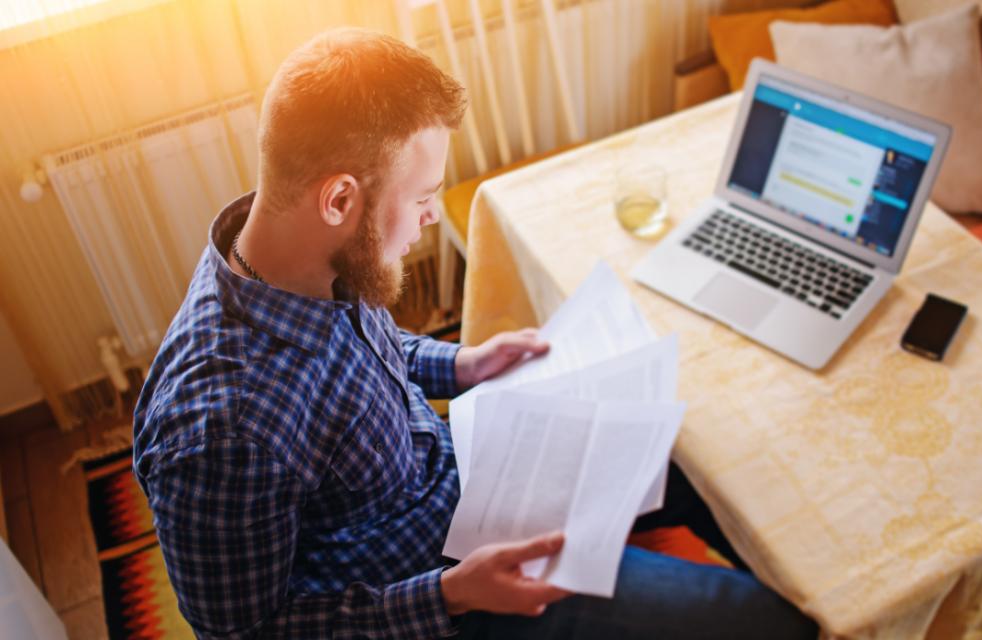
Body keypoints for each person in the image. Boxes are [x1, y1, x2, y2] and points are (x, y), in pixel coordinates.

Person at [132, 27, 817, 639]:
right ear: (339, 199)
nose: (431, 217)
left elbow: (370, 355)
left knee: (693, 453)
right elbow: (247, 633)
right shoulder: (221, 431)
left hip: (472, 482)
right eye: (424, 196)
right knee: (762, 623)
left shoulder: (299, 256)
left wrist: (462, 365)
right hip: (441, 595)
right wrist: (449, 596)